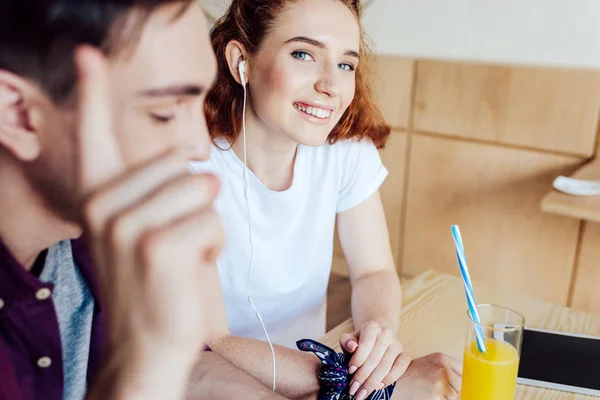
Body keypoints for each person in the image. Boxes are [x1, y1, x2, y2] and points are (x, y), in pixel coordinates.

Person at [0, 1, 285, 399]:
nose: (199, 147)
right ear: (18, 113)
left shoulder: (98, 233)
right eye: (165, 112)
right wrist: (147, 362)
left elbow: (193, 371)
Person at [191, 0, 462, 399]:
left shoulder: (346, 151)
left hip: (307, 382)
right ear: (241, 62)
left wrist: (377, 342)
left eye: (345, 65)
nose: (331, 86)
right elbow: (212, 341)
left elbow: (374, 272)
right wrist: (377, 386)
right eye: (304, 54)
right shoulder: (189, 166)